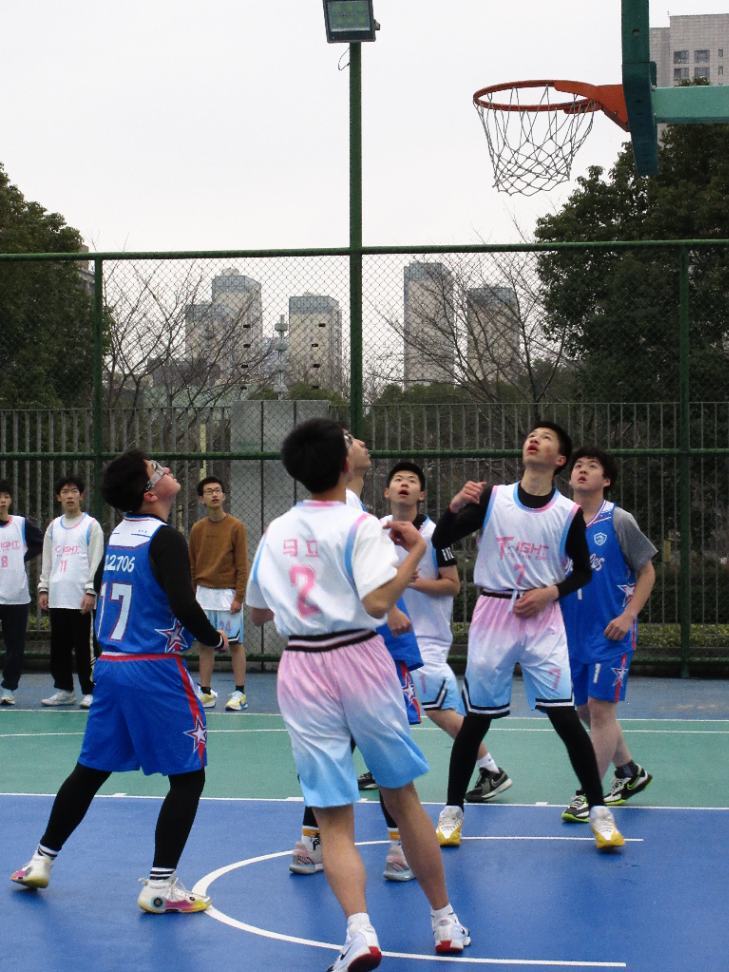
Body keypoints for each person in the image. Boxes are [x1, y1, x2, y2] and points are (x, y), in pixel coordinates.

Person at [246, 418, 470, 970]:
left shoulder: (276, 530)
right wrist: (416, 552)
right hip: (360, 658)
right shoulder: (361, 524)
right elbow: (377, 602)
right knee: (402, 796)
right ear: (345, 465)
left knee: (332, 814)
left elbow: (256, 612)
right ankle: (444, 920)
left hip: (302, 665)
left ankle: (359, 932)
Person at [11, 450, 228, 914]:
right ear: (149, 493)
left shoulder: (119, 535)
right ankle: (161, 885)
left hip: (112, 665)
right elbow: (183, 603)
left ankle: (40, 860)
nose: (166, 470)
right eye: (156, 470)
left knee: (91, 769)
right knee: (188, 776)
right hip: (154, 667)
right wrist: (214, 638)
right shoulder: (165, 538)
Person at [432, 421, 624, 852]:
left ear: (559, 459)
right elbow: (441, 540)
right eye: (532, 435)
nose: (534, 439)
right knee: (476, 719)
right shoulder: (494, 498)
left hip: (543, 617)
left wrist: (549, 593)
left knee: (565, 718)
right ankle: (452, 811)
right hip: (494, 612)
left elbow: (583, 572)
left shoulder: (567, 513)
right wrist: (454, 506)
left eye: (546, 438)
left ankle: (599, 813)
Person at [291, 430, 425, 883]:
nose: (361, 442)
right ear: (340, 460)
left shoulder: (352, 511)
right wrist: (391, 609)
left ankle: (312, 842)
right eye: (350, 439)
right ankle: (397, 848)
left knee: (340, 747)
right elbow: (351, 579)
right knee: (383, 753)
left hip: (346, 646)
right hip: (364, 647)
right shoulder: (344, 509)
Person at [381, 460, 512, 803]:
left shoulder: (436, 535)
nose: (404, 483)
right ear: (386, 491)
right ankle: (383, 766)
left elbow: (452, 585)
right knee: (384, 703)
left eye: (412, 480)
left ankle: (491, 769)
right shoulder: (375, 530)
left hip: (426, 637)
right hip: (389, 636)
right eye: (398, 479)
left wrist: (413, 582)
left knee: (438, 709)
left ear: (422, 494)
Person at [560, 447, 657, 822]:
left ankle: (590, 793)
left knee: (601, 710)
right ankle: (629, 771)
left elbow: (647, 572)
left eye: (592, 466)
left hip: (611, 634)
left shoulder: (619, 520)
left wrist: (629, 615)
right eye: (578, 466)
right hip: (571, 635)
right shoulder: (560, 520)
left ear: (607, 479)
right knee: (585, 710)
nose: (582, 470)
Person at [37, 475, 104, 709]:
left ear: (81, 496)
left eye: (74, 491)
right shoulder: (53, 527)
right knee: (59, 648)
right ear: (58, 497)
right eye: (65, 492)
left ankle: (91, 690)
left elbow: (96, 561)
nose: (69, 496)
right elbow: (47, 560)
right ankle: (64, 690)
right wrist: (44, 588)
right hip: (58, 597)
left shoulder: (91, 525)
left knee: (86, 648)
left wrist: (91, 591)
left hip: (81, 599)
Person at [189, 476, 250, 712]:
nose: (214, 494)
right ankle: (205, 692)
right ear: (201, 499)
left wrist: (239, 597)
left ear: (223, 496)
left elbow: (242, 565)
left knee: (235, 644)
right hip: (203, 596)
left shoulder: (236, 527)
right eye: (209, 491)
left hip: (228, 596)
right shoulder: (197, 529)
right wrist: (192, 596)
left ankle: (240, 693)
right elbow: (192, 565)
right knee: (206, 645)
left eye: (217, 490)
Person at [0, 480, 44, 705]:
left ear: (10, 500)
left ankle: (8, 688)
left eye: (6, 496)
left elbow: (40, 542)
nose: (2, 500)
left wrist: (22, 557)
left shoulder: (20, 524)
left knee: (15, 646)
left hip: (16, 596)